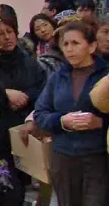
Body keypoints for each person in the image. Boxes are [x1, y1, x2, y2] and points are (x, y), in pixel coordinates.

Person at [33, 21, 109, 204]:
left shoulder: (105, 76)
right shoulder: (58, 78)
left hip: (97, 158)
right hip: (63, 157)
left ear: (91, 46)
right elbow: (40, 113)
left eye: (75, 43)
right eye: (65, 44)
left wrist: (101, 123)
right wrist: (61, 121)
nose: (69, 49)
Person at [0, 9, 48, 206]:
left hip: (22, 137)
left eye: (10, 31)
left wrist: (26, 97)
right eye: (0, 33)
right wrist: (4, 93)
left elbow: (43, 92)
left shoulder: (29, 62)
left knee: (17, 193)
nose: (7, 37)